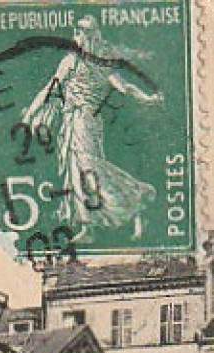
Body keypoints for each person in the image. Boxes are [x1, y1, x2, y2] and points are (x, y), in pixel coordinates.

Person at [21, 16, 164, 241]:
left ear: (88, 36)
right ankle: (88, 226)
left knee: (89, 169)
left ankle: (135, 203)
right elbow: (124, 87)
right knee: (77, 170)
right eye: (77, 33)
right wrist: (148, 97)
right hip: (76, 121)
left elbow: (123, 87)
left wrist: (30, 115)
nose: (76, 37)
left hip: (84, 122)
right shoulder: (88, 63)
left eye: (80, 33)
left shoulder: (81, 62)